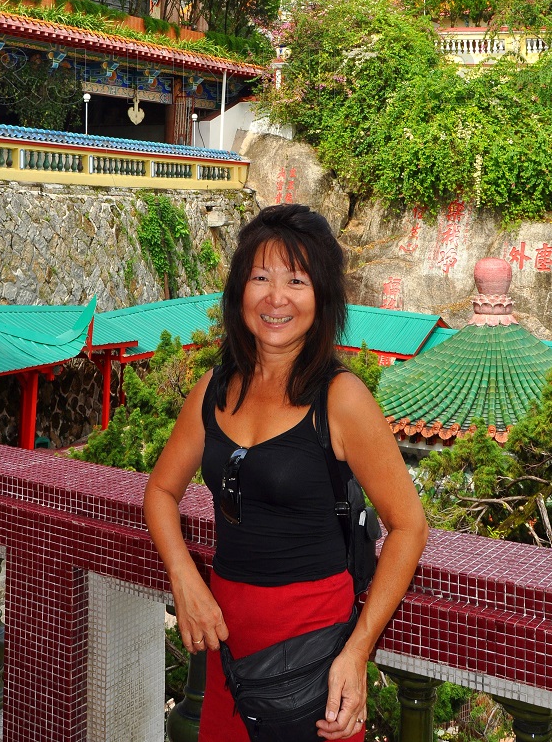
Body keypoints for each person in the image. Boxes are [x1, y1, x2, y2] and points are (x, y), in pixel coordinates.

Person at [143, 204, 428, 740]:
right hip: (226, 637)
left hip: (312, 651)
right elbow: (160, 490)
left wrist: (357, 652)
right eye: (260, 278)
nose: (276, 298)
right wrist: (186, 579)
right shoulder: (214, 388)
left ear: (321, 298)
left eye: (296, 281)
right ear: (238, 292)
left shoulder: (340, 398)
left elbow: (409, 526)